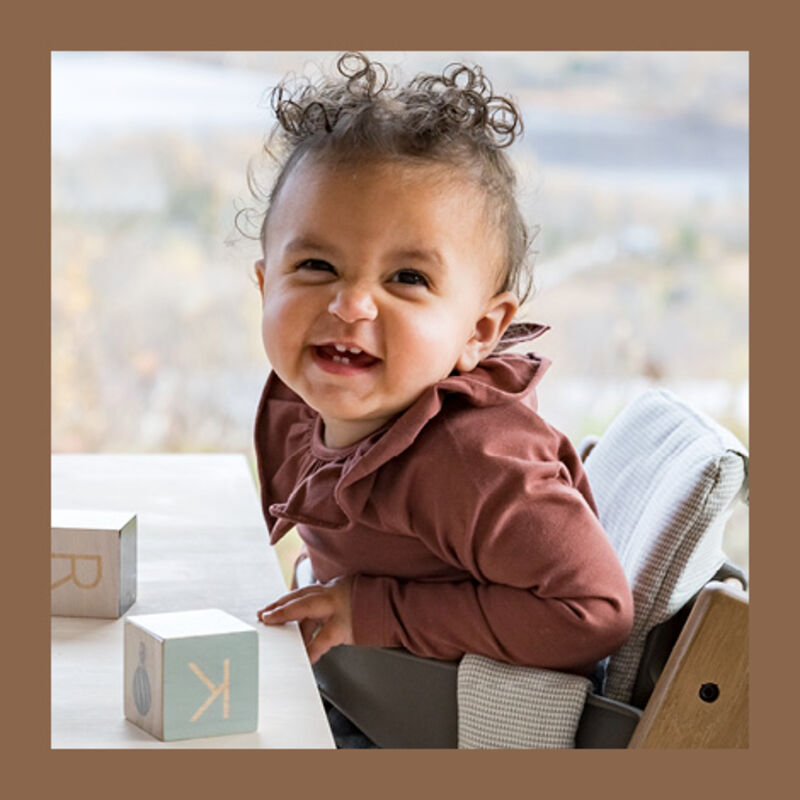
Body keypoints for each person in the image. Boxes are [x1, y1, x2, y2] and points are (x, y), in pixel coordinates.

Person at [249, 52, 634, 744]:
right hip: (370, 689)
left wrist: (372, 612)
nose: (349, 303)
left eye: (406, 278)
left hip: (455, 729)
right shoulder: (310, 398)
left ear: (478, 332)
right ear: (263, 285)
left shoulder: (472, 460)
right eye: (315, 265)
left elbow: (595, 611)